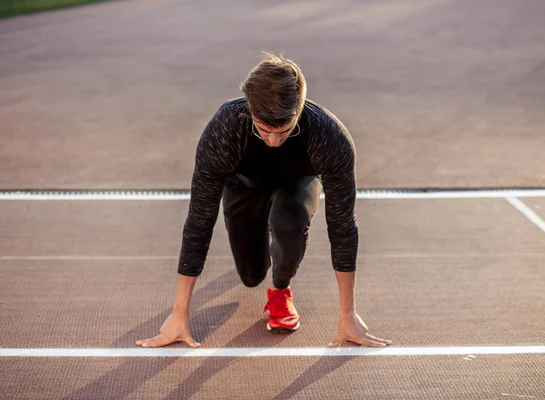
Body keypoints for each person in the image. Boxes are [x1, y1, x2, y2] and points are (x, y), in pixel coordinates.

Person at [136, 52, 391, 349]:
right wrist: (178, 314)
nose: (273, 141)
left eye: (284, 131)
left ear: (298, 111)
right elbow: (199, 220)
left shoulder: (329, 137)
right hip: (244, 185)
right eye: (264, 130)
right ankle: (260, 257)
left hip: (297, 183)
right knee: (251, 275)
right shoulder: (225, 129)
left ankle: (281, 290)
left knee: (289, 225)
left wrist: (348, 314)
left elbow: (342, 225)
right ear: (249, 109)